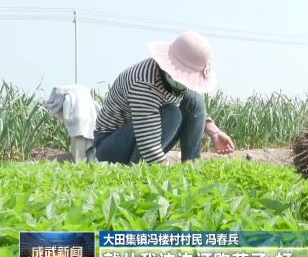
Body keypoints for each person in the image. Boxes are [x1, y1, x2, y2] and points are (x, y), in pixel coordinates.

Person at [94, 31, 235, 164]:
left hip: (145, 136)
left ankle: (190, 165)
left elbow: (194, 110)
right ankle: (137, 168)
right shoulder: (144, 83)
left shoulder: (174, 82)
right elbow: (149, 146)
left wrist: (214, 132)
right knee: (172, 114)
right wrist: (171, 175)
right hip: (110, 147)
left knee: (195, 100)